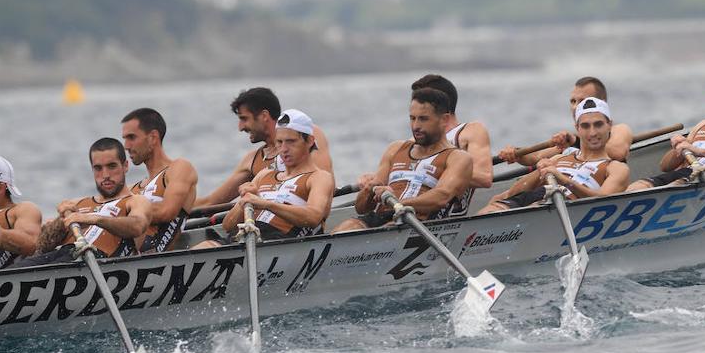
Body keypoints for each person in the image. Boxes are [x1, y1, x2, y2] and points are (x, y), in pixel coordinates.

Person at [333, 87, 473, 232]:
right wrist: (369, 189)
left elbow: (441, 197)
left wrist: (397, 202)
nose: (416, 126)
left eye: (423, 119)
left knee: (388, 230)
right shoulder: (395, 149)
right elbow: (361, 209)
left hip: (421, 222)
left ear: (444, 119)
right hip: (382, 216)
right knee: (346, 227)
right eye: (412, 118)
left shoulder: (458, 157)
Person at [194, 113, 335, 247]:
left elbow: (313, 217)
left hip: (281, 242)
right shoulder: (264, 175)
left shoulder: (319, 177)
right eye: (279, 142)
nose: (284, 149)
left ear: (309, 141)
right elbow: (228, 226)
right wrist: (244, 202)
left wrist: (265, 204)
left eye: (291, 142)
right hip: (244, 239)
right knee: (204, 246)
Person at [11, 138, 152, 267]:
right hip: (63, 255)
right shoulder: (78, 204)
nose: (105, 175)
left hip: (96, 262)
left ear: (125, 166)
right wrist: (60, 222)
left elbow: (137, 226)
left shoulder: (136, 201)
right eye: (98, 168)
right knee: (16, 268)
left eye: (111, 166)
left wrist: (93, 219)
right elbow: (42, 247)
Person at [478, 97, 630, 213]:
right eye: (585, 126)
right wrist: (516, 153)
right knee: (496, 201)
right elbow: (533, 160)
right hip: (539, 196)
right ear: (577, 128)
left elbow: (602, 200)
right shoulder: (560, 157)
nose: (592, 132)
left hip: (564, 205)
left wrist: (562, 180)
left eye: (598, 124)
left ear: (609, 124)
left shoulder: (616, 167)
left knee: (536, 204)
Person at [195, 87, 334, 207]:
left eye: (244, 119)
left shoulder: (308, 134)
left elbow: (324, 188)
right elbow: (211, 202)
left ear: (264, 116)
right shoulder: (251, 160)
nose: (240, 127)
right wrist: (177, 203)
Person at [496, 76, 634, 166]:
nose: (575, 107)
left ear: (601, 103)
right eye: (573, 101)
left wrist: (575, 142)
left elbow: (617, 152)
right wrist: (516, 153)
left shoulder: (619, 130)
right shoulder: (572, 140)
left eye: (582, 101)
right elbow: (535, 157)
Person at [121, 107, 198, 253]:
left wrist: (113, 218)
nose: (126, 146)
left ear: (153, 138)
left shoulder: (179, 168)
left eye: (131, 138)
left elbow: (166, 211)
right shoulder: (134, 189)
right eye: (124, 139)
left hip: (152, 259)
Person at [410, 73, 493, 189]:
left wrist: (432, 168)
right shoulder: (412, 142)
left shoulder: (470, 131)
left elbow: (484, 178)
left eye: (423, 100)